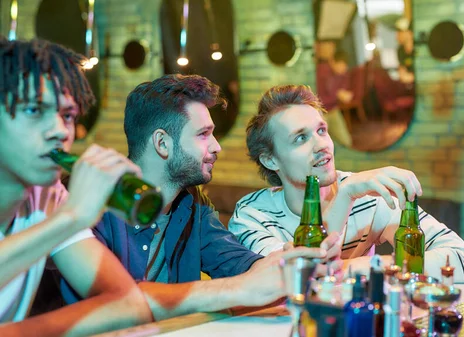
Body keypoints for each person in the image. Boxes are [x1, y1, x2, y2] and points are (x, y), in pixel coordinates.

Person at [61, 74, 342, 321]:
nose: (216, 146)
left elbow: (238, 263)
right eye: (203, 135)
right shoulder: (87, 201)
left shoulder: (192, 205)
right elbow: (112, 300)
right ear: (162, 143)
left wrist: (291, 262)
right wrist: (239, 289)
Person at [228, 84, 464, 283]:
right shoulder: (252, 215)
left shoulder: (369, 195)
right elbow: (298, 280)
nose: (322, 145)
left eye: (322, 130)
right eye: (300, 138)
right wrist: (345, 196)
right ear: (270, 159)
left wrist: (366, 267)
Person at [0, 38, 153, 336]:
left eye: (67, 115)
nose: (60, 130)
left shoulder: (46, 193)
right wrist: (70, 218)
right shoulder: (61, 209)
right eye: (34, 110)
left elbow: (129, 306)